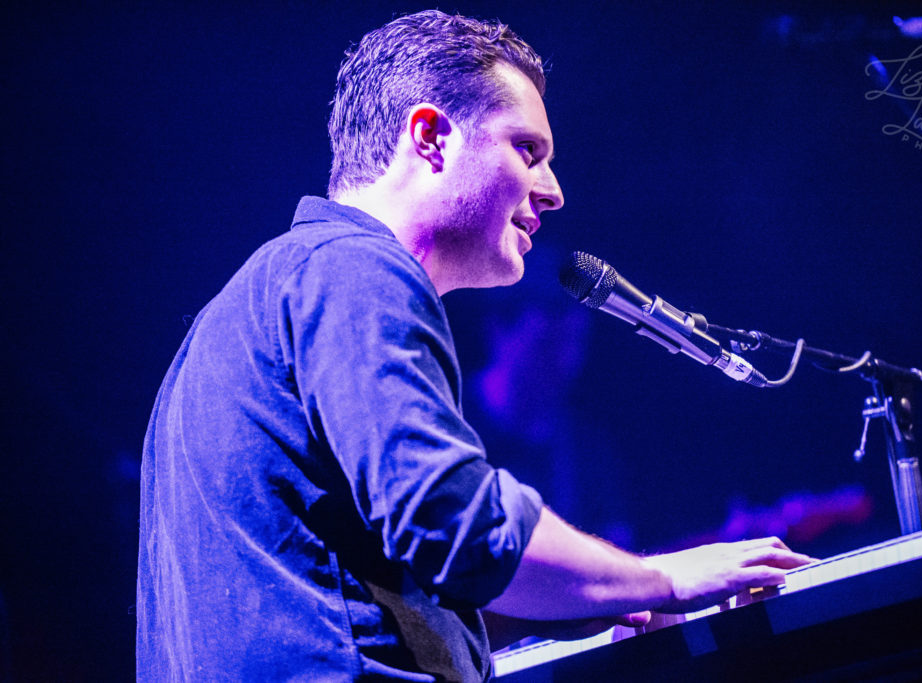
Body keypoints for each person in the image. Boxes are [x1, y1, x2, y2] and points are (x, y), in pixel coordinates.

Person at [136, 9, 813, 681]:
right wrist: (661, 579)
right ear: (430, 137)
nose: (553, 192)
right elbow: (451, 516)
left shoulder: (247, 309)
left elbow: (339, 575)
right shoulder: (353, 269)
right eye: (528, 150)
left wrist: (577, 600)